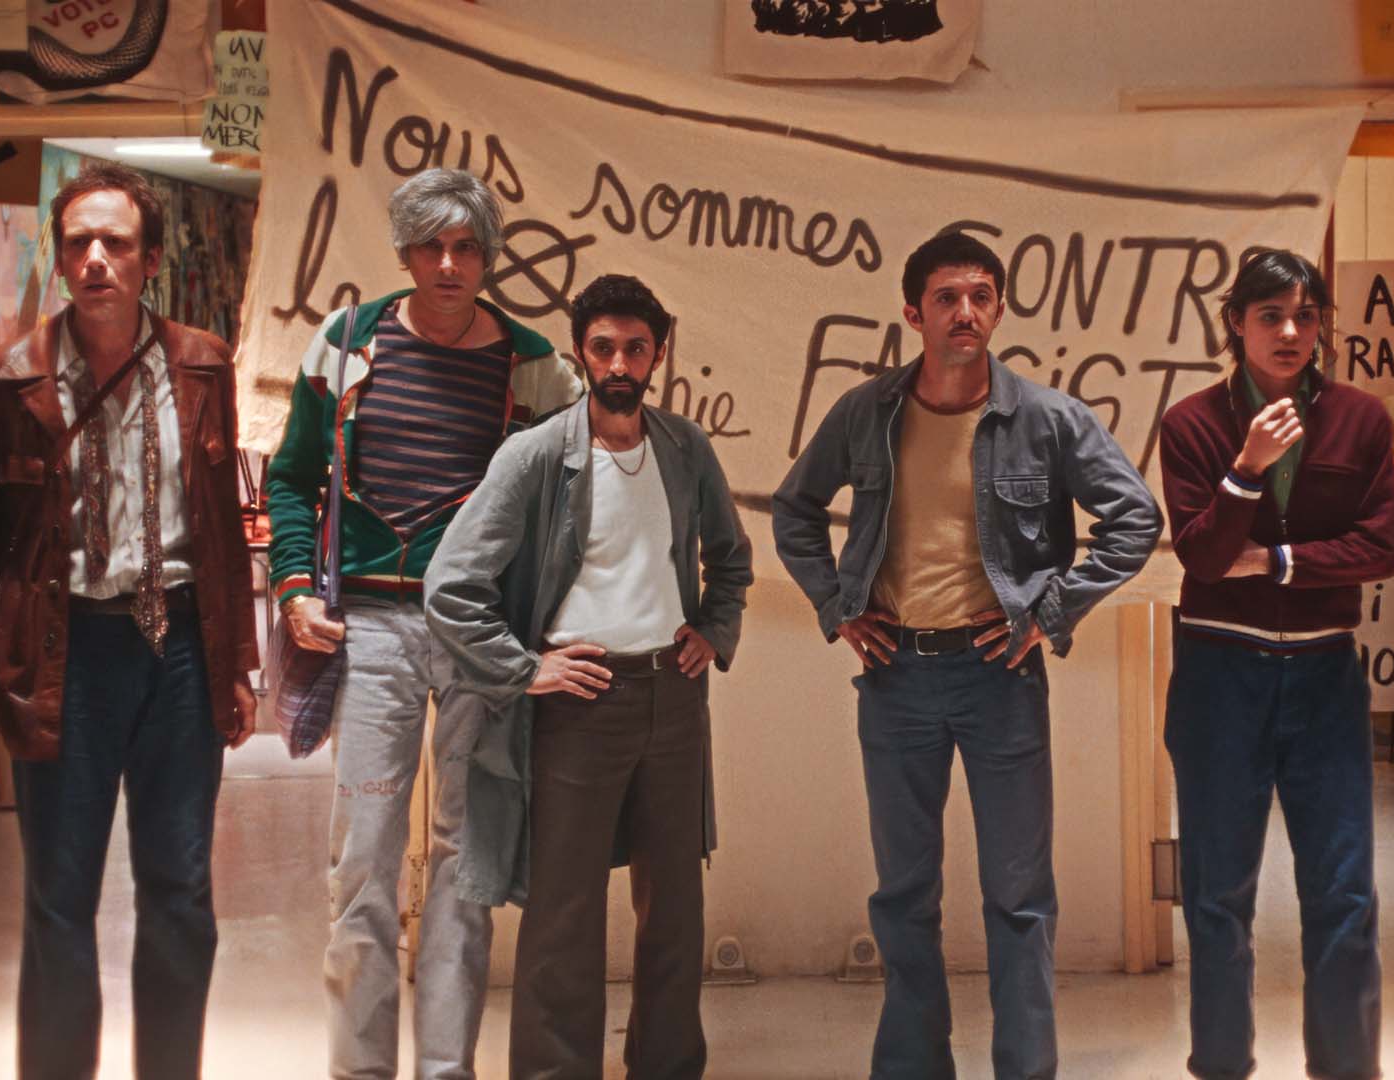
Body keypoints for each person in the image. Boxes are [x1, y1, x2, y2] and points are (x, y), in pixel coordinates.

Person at [772, 230, 1160, 1079]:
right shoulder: (867, 412)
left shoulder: (1047, 419)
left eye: (981, 296)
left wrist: (1050, 610)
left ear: (999, 309)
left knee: (1019, 897)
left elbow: (1136, 518)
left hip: (1001, 678)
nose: (965, 312)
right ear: (913, 313)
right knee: (903, 894)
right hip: (895, 677)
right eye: (946, 297)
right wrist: (839, 608)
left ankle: (1026, 1068)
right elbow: (794, 510)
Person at [0, 162, 259, 1080]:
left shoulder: (202, 363)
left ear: (150, 260)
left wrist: (237, 662)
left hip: (179, 648)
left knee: (181, 891)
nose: (96, 260)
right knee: (59, 897)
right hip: (61, 652)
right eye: (79, 242)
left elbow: (221, 529)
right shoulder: (11, 379)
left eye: (116, 242)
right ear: (61, 255)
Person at [264, 168, 582, 1080]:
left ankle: (448, 1068)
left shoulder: (535, 366)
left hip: (477, 629)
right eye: (432, 247)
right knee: (363, 859)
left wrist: (542, 630)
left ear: (489, 257)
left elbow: (568, 512)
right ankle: (360, 1070)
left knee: (465, 861)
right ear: (404, 252)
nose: (449, 265)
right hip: (367, 628)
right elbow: (292, 478)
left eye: (467, 248)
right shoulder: (346, 344)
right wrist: (294, 585)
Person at [425, 273, 752, 1078]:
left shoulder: (684, 448)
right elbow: (450, 585)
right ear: (580, 352)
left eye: (635, 348)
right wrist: (524, 668)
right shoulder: (537, 455)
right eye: (603, 347)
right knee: (563, 913)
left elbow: (732, 558)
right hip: (580, 704)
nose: (619, 364)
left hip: (673, 699)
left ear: (658, 354)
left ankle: (666, 1066)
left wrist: (714, 632)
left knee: (674, 907)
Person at [1156, 250, 1394, 1080]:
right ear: (1236, 324)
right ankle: (1222, 1066)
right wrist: (1247, 468)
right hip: (1219, 670)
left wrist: (1281, 560)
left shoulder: (1361, 418)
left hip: (1326, 672)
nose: (1290, 332)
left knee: (1344, 890)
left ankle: (1346, 1069)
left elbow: (1381, 546)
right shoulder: (1192, 424)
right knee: (1217, 892)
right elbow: (1204, 557)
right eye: (1270, 316)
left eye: (1305, 316)